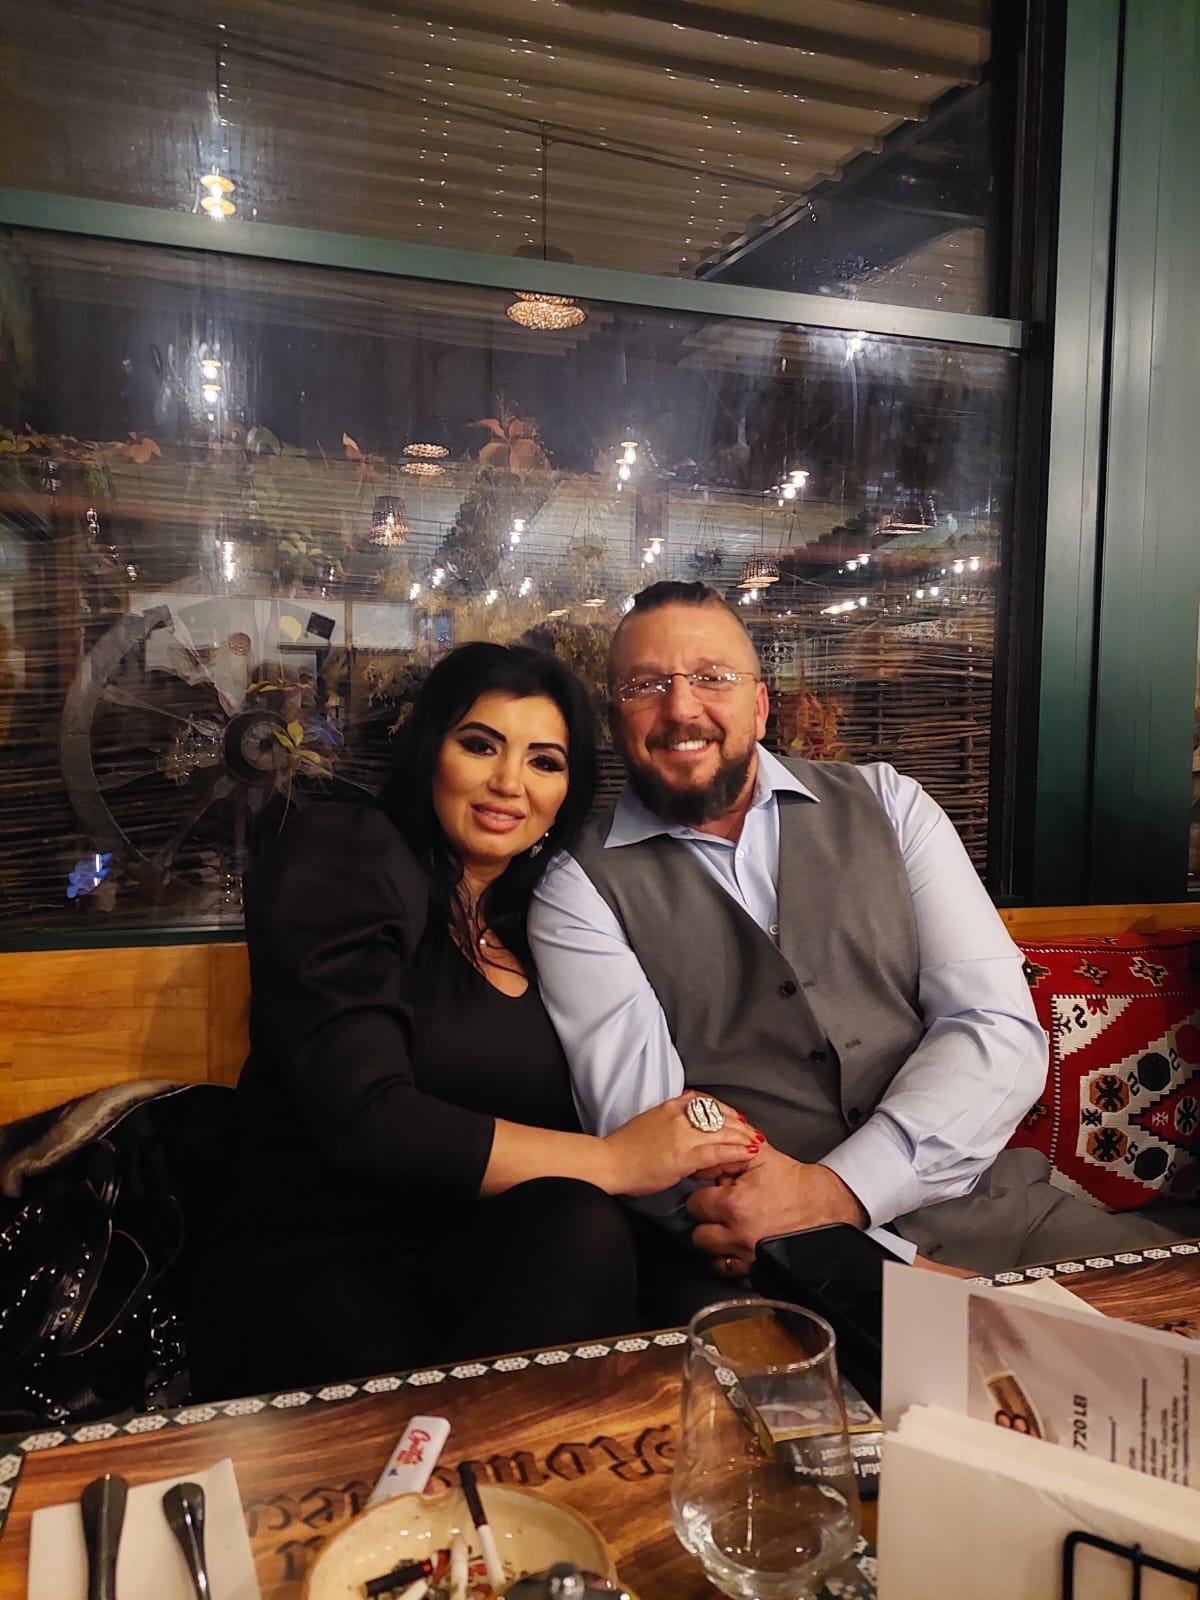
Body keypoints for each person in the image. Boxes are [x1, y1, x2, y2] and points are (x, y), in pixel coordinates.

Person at [529, 582, 1196, 1279]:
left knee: (1168, 1316)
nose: (681, 708)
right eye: (645, 685)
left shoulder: (892, 806)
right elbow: (650, 1135)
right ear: (614, 721)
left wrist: (836, 1190)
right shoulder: (577, 885)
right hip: (770, 1260)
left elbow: (994, 1026)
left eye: (712, 677)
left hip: (995, 1213)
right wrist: (848, 1251)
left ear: (760, 705)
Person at [188, 641, 752, 1396]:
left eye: (544, 761)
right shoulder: (344, 852)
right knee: (583, 1220)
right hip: (319, 1267)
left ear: (567, 793)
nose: (509, 782)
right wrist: (616, 1162)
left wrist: (710, 1193)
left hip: (476, 1259)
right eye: (481, 745)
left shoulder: (536, 923)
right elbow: (366, 1117)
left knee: (701, 1295)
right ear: (432, 753)